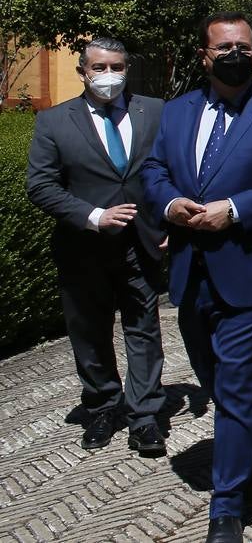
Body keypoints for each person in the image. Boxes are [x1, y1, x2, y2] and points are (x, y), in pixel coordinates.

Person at [141, 12, 252, 543]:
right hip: (192, 273)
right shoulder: (176, 114)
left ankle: (228, 502)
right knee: (215, 382)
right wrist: (169, 204)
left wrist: (235, 210)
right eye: (223, 48)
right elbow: (152, 171)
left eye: (243, 46)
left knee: (238, 388)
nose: (234, 54)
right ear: (204, 56)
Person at [25, 37, 168, 457]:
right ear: (82, 71)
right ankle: (103, 405)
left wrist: (169, 219)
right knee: (89, 331)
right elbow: (41, 186)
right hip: (83, 245)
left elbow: (172, 170)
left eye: (118, 67)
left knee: (143, 329)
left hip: (141, 241)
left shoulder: (155, 112)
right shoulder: (54, 121)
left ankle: (144, 417)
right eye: (100, 68)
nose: (110, 76)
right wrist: (93, 216)